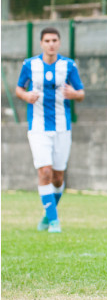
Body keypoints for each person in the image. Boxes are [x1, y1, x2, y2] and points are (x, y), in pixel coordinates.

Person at [15, 27, 85, 233]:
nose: (51, 44)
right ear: (41, 43)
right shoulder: (30, 65)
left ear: (59, 43)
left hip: (63, 127)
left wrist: (74, 93)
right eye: (47, 40)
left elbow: (81, 93)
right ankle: (55, 222)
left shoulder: (68, 66)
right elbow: (19, 88)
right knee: (44, 171)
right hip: (37, 127)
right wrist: (25, 96)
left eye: (54, 40)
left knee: (58, 177)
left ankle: (48, 214)